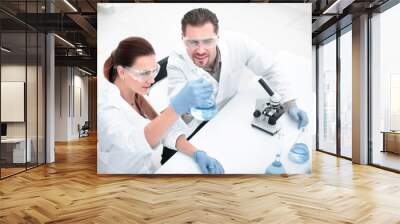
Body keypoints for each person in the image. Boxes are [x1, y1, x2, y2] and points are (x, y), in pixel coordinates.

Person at [167, 8, 309, 136]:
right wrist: (186, 104)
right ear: (182, 39)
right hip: (194, 127)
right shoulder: (176, 61)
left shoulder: (237, 43)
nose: (200, 50)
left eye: (208, 41)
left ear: (218, 37)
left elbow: (270, 67)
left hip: (228, 113)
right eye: (193, 42)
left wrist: (291, 104)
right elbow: (178, 109)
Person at [98, 36, 224, 174]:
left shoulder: (137, 92)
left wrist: (197, 153)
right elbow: (135, 145)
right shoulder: (105, 108)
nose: (152, 80)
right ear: (122, 72)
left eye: (154, 71)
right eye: (145, 73)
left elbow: (163, 131)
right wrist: (177, 107)